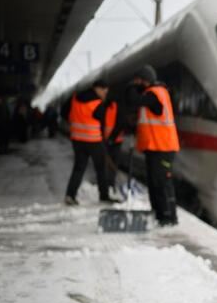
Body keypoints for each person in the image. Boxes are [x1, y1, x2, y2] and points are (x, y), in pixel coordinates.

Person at [128, 66, 179, 225]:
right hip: (154, 147)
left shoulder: (155, 94)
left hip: (163, 148)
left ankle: (168, 217)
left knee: (161, 183)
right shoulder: (151, 93)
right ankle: (159, 214)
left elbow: (134, 100)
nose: (137, 84)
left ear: (145, 80)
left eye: (139, 81)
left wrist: (131, 87)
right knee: (154, 183)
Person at [64, 79, 117, 205]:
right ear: (97, 88)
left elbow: (64, 112)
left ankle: (70, 195)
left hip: (77, 140)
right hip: (94, 140)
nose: (105, 94)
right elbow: (102, 123)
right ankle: (104, 195)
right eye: (104, 91)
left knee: (78, 168)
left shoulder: (75, 98)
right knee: (101, 168)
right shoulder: (97, 103)